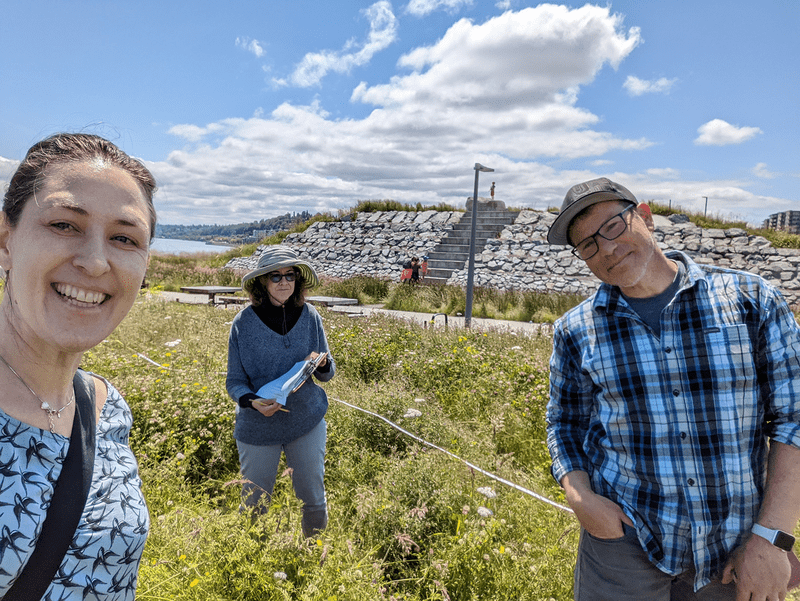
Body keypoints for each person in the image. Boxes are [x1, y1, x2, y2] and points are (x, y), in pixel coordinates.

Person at [545, 177, 800, 600]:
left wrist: (771, 537)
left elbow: (793, 418)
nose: (605, 248)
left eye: (612, 226)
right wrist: (580, 497)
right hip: (623, 544)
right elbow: (564, 423)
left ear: (645, 216)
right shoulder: (576, 330)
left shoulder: (751, 299)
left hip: (735, 551)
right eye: (587, 244)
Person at [0, 133, 156, 598]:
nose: (94, 261)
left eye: (124, 238)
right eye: (65, 225)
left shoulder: (107, 408)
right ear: (6, 241)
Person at [226, 246, 335, 538]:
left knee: (313, 497)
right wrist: (253, 402)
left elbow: (328, 371)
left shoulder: (311, 316)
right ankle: (254, 567)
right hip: (258, 424)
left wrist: (322, 364)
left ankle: (314, 558)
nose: (284, 282)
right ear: (262, 281)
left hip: (306, 420)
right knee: (255, 504)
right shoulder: (243, 324)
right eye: (275, 276)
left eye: (290, 275)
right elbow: (234, 382)